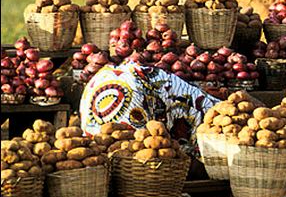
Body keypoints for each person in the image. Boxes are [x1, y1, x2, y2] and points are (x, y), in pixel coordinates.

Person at [79, 60, 219, 160]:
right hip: (131, 90)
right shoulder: (210, 112)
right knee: (136, 151)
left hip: (103, 81)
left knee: (108, 148)